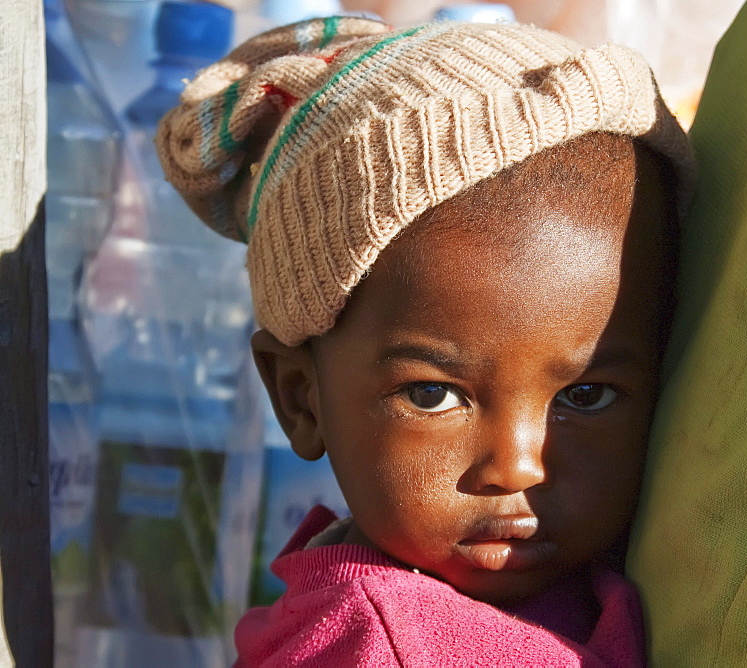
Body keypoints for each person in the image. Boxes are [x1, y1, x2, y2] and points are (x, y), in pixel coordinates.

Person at [157, 16, 694, 666]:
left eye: (585, 394)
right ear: (301, 398)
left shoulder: (595, 574)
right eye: (433, 394)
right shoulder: (375, 645)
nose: (518, 467)